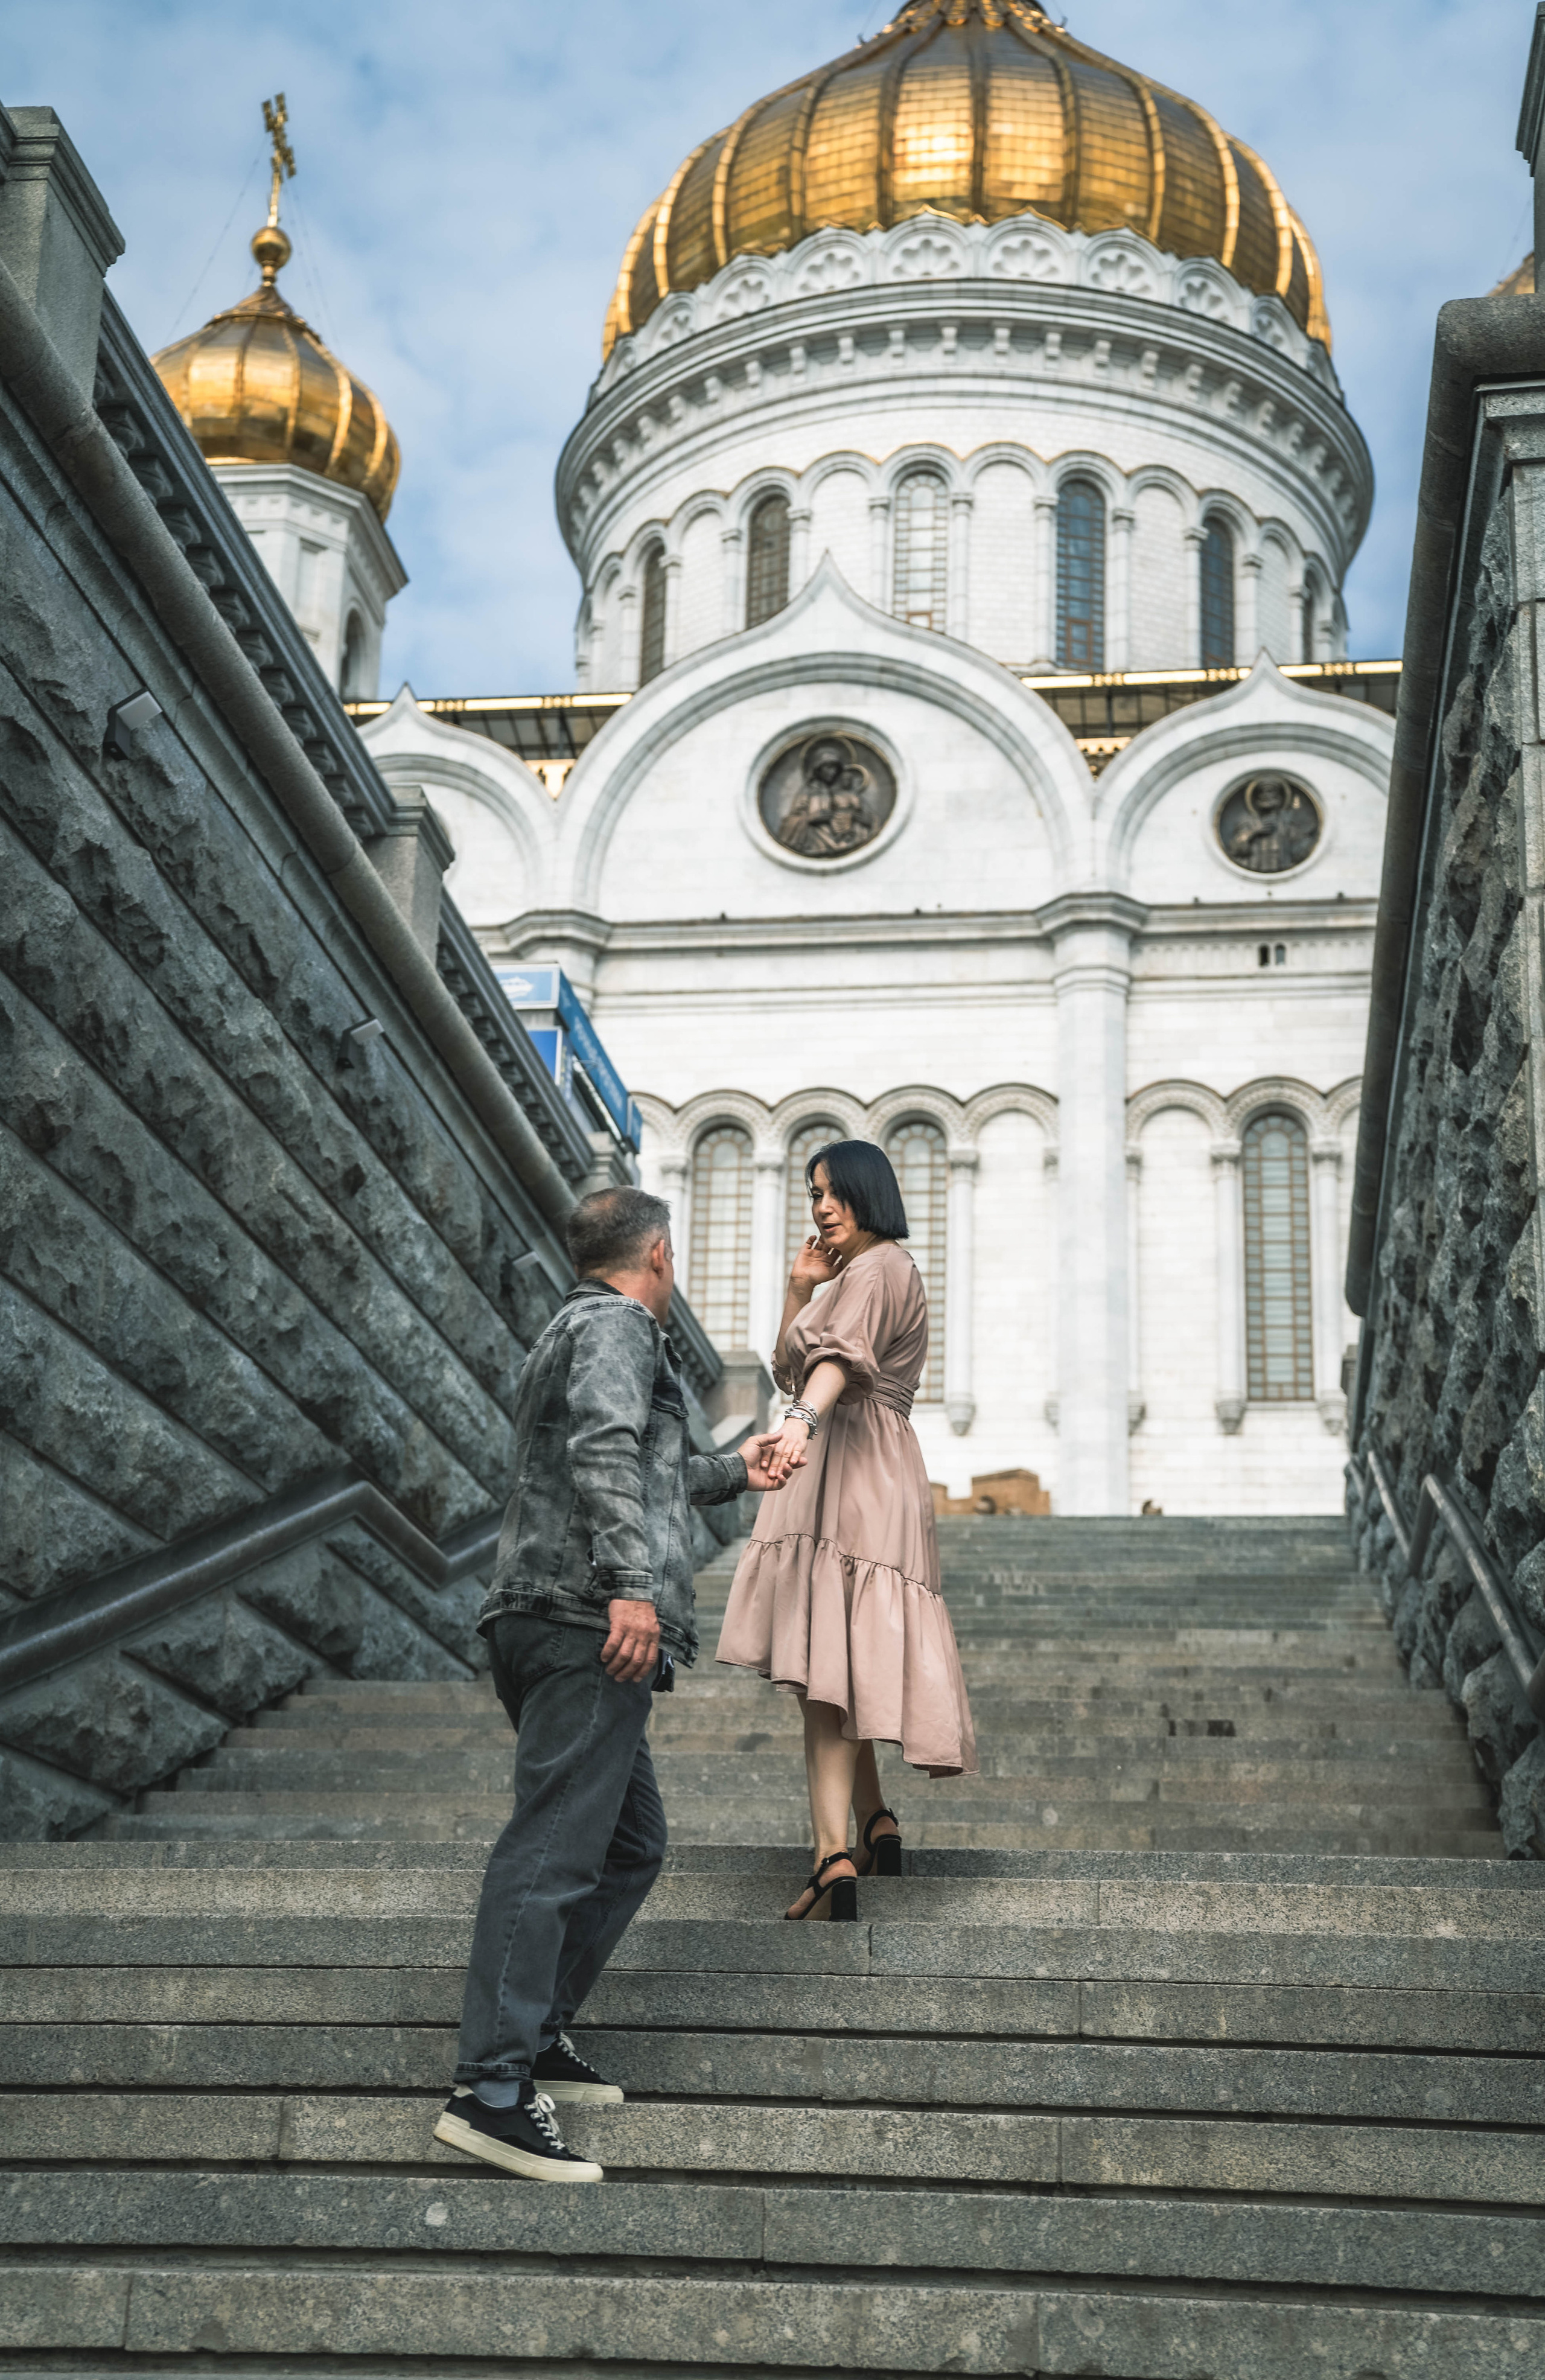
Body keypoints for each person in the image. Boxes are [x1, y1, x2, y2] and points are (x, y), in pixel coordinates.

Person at [435, 1185, 797, 2180]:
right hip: (584, 1621)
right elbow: (605, 1450)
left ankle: (538, 2029)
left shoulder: (573, 1329)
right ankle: (493, 2088)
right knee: (553, 1848)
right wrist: (630, 1592)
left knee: (631, 1843)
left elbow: (645, 1467)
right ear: (662, 1256)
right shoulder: (621, 1328)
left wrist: (740, 1470)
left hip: (548, 1612)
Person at [715, 1140, 977, 1921]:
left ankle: (834, 1853)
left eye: (834, 1192)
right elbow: (794, 1364)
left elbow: (828, 1368)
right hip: (852, 1459)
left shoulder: (880, 1266)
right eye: (814, 1194)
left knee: (830, 1663)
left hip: (853, 1461)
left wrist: (798, 1423)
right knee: (837, 1655)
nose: (822, 1206)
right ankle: (874, 1821)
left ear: (871, 1192)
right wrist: (799, 1288)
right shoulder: (860, 1273)